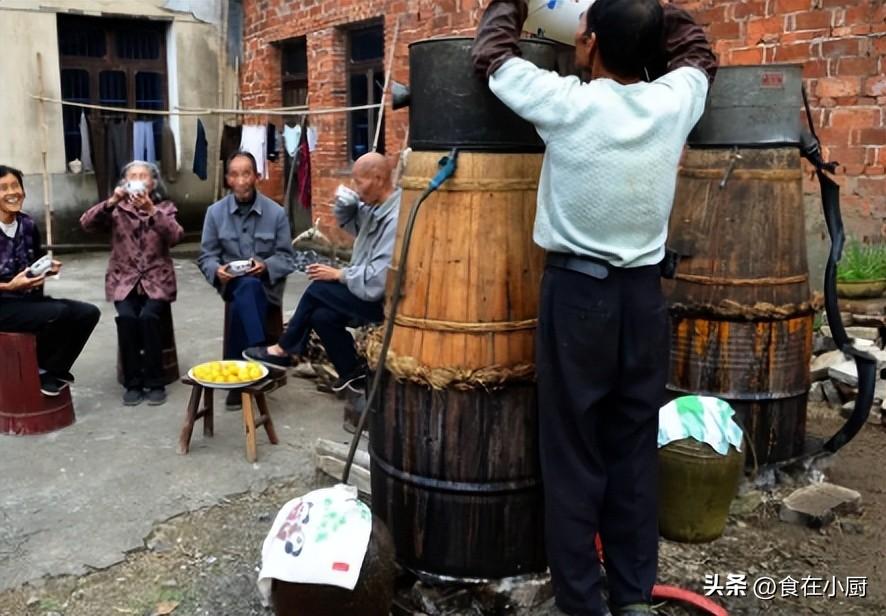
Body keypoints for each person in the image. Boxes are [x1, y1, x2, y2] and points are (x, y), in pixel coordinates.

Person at [471, 2, 717, 615]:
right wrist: (659, 12)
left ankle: (583, 602)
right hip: (643, 300)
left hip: (578, 299)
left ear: (592, 43)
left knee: (573, 450)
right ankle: (632, 596)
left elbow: (492, 57)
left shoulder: (568, 104)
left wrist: (512, 4)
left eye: (584, 30)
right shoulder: (674, 101)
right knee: (632, 448)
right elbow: (699, 54)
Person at [243, 152, 400, 393]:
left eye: (359, 182)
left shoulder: (394, 217)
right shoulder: (376, 207)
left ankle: (284, 350)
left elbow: (378, 281)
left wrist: (338, 275)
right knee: (321, 316)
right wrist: (345, 205)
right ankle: (353, 373)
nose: (356, 189)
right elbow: (352, 224)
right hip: (366, 289)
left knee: (319, 289)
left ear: (378, 178)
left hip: (385, 302)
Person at [197, 151, 296, 409]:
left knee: (250, 287)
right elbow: (206, 256)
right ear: (228, 179)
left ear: (256, 177)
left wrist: (266, 266)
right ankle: (258, 352)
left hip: (268, 286)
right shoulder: (215, 213)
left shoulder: (276, 214)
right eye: (235, 174)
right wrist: (216, 270)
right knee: (244, 288)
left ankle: (237, 379)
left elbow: (287, 258)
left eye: (246, 173)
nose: (241, 180)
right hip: (231, 285)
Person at [80, 160, 184, 406]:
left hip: (157, 280)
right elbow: (86, 224)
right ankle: (133, 382)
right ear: (125, 183)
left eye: (143, 176)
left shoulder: (165, 208)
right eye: (133, 176)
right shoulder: (116, 210)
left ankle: (155, 381)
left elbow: (176, 236)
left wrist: (151, 211)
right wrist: (111, 201)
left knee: (149, 318)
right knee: (127, 318)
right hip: (123, 280)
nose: (138, 180)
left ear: (153, 183)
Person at [0, 164, 100, 396]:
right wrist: (9, 286)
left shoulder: (27, 225)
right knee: (58, 313)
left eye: (16, 186)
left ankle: (53, 368)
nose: (12, 192)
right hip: (3, 304)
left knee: (88, 313)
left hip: (28, 300)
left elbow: (32, 262)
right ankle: (42, 370)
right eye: (4, 188)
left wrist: (45, 270)